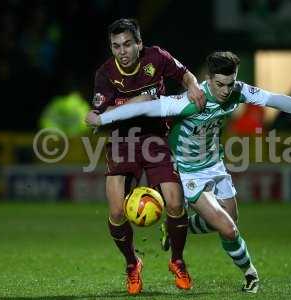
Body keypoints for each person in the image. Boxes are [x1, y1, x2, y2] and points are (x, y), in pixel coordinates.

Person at [86, 51, 291, 293]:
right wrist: (103, 118)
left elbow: (276, 100)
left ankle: (180, 226)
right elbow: (144, 107)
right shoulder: (188, 101)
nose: (225, 91)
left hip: (216, 166)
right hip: (188, 173)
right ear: (208, 79)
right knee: (229, 228)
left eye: (230, 83)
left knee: (231, 218)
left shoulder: (238, 91)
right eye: (219, 84)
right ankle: (251, 276)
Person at [92, 18, 204, 295]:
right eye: (116, 46)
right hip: (122, 141)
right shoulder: (105, 74)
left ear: (139, 44)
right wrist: (96, 117)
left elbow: (185, 73)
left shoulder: (156, 57)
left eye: (128, 44)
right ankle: (132, 263)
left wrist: (192, 85)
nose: (122, 51)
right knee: (117, 212)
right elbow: (101, 115)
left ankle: (177, 260)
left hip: (155, 139)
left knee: (176, 203)